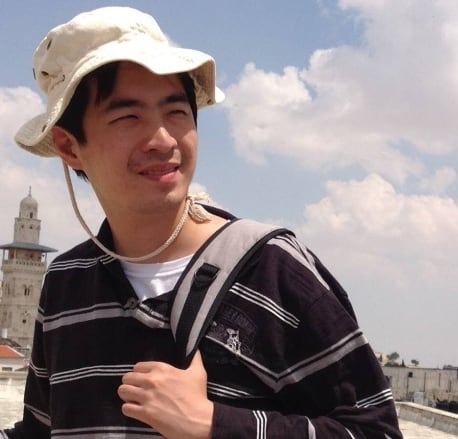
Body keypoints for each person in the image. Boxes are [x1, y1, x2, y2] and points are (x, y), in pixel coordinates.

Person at [3, 7, 401, 439]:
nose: (163, 140)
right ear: (69, 145)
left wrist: (212, 424)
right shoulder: (66, 282)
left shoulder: (271, 269)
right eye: (127, 117)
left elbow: (375, 430)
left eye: (176, 112)